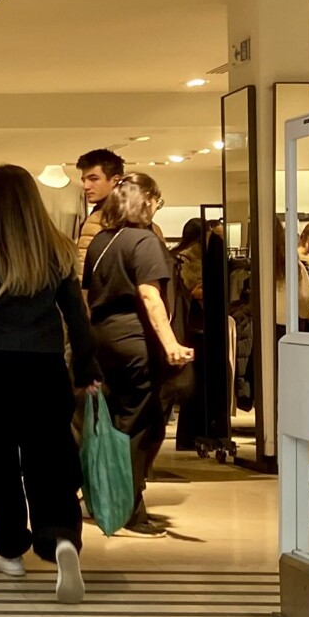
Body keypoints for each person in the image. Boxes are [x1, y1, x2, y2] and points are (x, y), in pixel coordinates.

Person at [0, 165, 97, 603]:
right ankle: (60, 539)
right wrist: (86, 371)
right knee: (49, 457)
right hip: (45, 366)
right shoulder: (56, 248)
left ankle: (10, 552)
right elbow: (77, 315)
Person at [82, 172, 192, 538]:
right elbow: (150, 297)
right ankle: (128, 507)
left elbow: (88, 297)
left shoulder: (99, 242)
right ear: (147, 202)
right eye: (157, 201)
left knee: (110, 423)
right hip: (134, 342)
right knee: (139, 426)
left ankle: (105, 497)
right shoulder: (144, 242)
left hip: (102, 339)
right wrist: (170, 344)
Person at [74, 149, 126, 275]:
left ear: (115, 180)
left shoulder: (100, 218)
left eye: (94, 179)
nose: (86, 186)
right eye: (84, 180)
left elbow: (83, 267)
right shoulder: (138, 215)